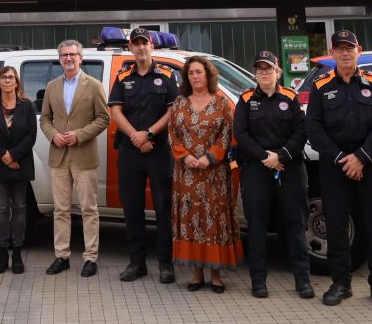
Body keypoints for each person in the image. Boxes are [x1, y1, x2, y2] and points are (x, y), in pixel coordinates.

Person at [305, 29, 372, 309]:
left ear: (359, 50)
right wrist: (343, 157)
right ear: (332, 53)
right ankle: (340, 283)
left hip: (371, 163)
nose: (345, 53)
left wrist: (362, 156)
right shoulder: (321, 87)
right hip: (336, 164)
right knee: (336, 225)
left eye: (350, 48)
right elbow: (313, 127)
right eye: (339, 48)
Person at [233, 50, 313, 300]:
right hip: (257, 167)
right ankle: (259, 281)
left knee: (295, 223)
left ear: (278, 72)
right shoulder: (246, 99)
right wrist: (266, 157)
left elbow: (301, 132)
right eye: (260, 69)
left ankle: (303, 280)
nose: (264, 73)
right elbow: (241, 134)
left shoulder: (290, 97)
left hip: (289, 167)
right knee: (256, 225)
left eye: (269, 68)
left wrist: (282, 155)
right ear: (255, 73)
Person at [108, 27, 180, 284]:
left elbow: (174, 112)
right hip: (130, 150)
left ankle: (165, 264)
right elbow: (116, 111)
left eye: (144, 43)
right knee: (132, 209)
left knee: (163, 208)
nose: (140, 48)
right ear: (131, 48)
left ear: (152, 46)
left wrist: (147, 134)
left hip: (158, 150)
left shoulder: (167, 75)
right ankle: (136, 263)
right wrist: (136, 137)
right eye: (135, 44)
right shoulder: (123, 76)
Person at [170, 55, 241, 294]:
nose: (195, 76)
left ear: (208, 75)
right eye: (191, 73)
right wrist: (186, 157)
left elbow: (226, 136)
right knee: (191, 222)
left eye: (199, 72)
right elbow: (173, 135)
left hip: (214, 175)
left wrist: (208, 158)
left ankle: (216, 276)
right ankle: (197, 274)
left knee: (214, 222)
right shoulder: (179, 103)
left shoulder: (221, 103)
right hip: (186, 174)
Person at [40, 39, 110, 277]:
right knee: (60, 209)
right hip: (59, 156)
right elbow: (45, 119)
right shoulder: (51, 86)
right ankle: (62, 256)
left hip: (84, 156)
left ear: (81, 57)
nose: (68, 58)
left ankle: (91, 258)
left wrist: (79, 135)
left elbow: (104, 118)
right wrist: (53, 135)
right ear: (59, 59)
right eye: (64, 55)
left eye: (72, 55)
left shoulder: (94, 85)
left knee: (89, 209)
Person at [0, 66, 38, 274]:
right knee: (2, 209)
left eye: (11, 78)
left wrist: (14, 156)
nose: (7, 81)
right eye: (4, 78)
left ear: (17, 82)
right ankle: (2, 252)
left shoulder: (28, 106)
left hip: (21, 164)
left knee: (21, 207)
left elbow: (31, 135)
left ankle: (17, 253)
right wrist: (5, 156)